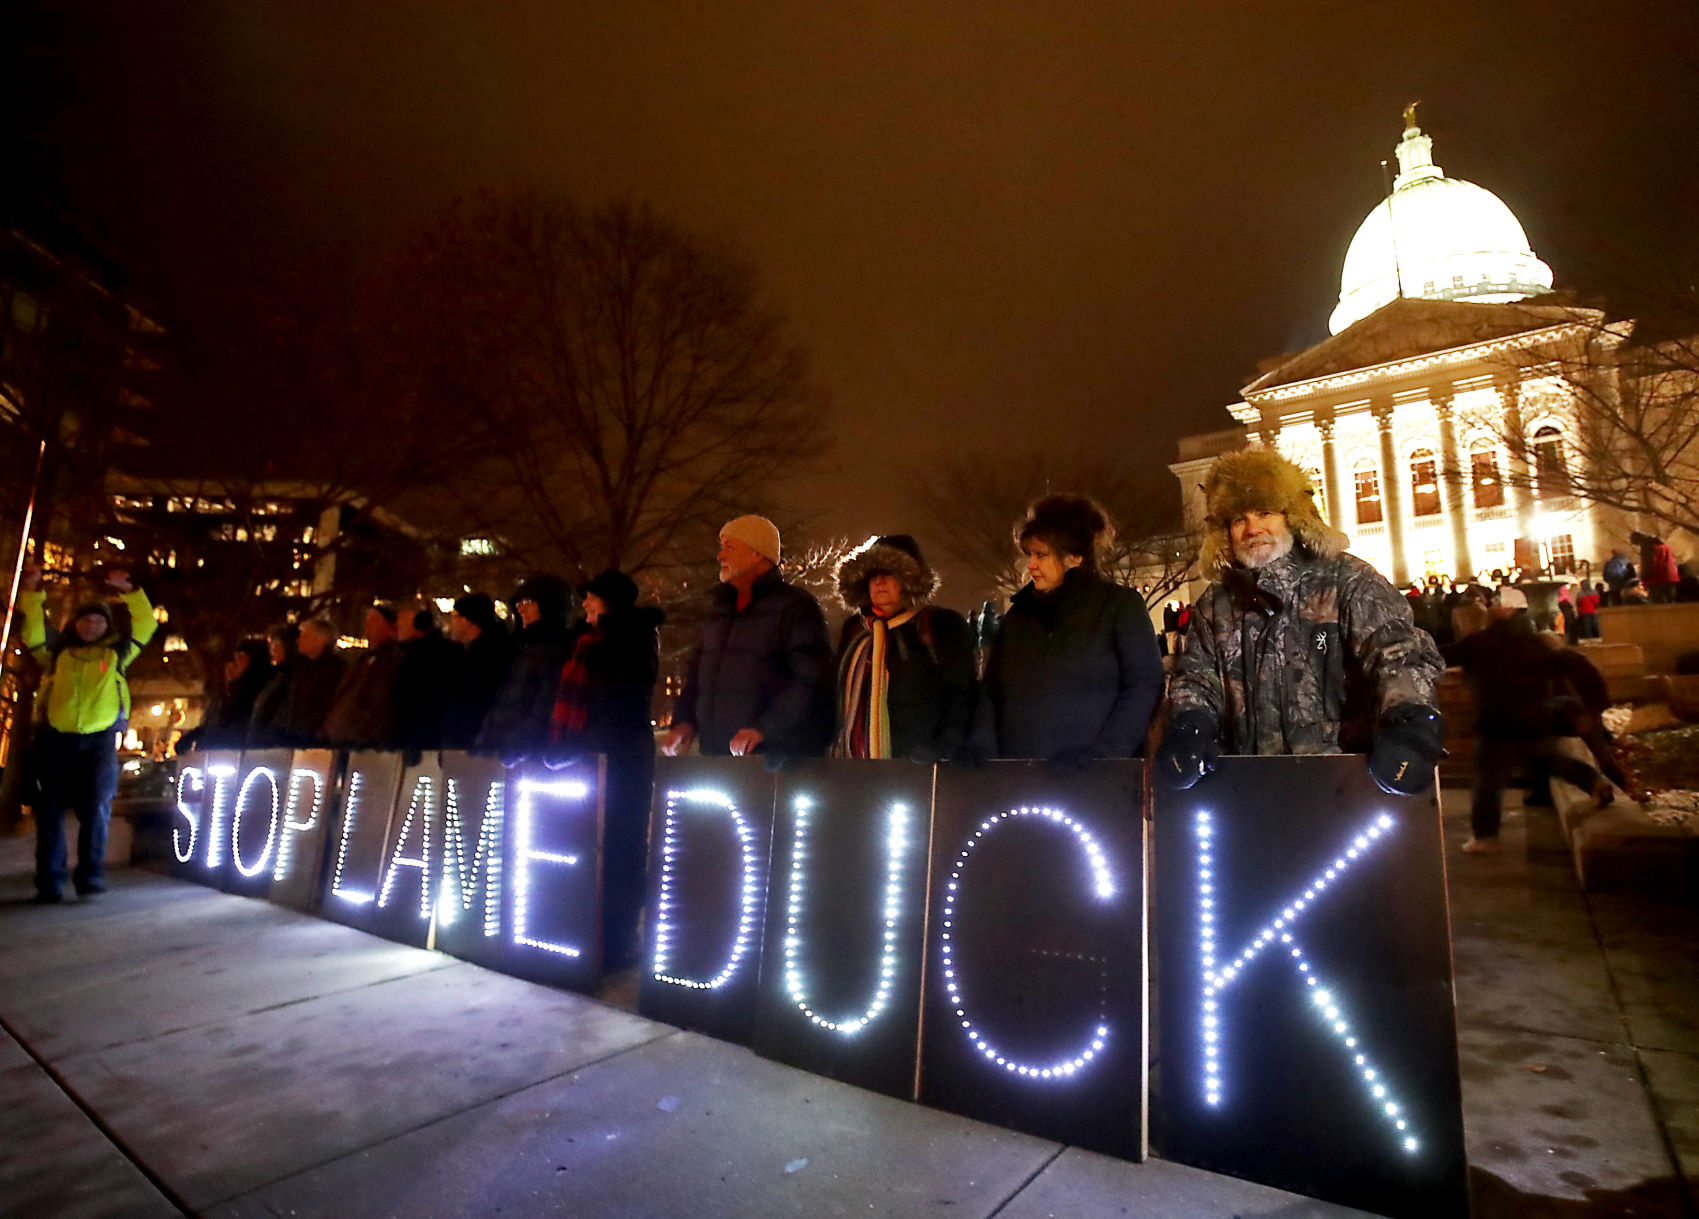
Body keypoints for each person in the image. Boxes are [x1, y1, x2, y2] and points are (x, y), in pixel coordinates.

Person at [1159, 449, 1446, 795]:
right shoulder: (1216, 604)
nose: (1253, 529)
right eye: (1239, 519)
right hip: (1250, 785)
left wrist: (1409, 719)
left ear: (1292, 516)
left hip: (1342, 779)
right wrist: (1192, 723)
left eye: (1265, 512)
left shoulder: (1347, 580)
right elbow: (1196, 678)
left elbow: (1396, 653)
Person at [972, 494, 1163, 769]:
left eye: (1042, 555)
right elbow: (991, 691)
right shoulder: (1018, 617)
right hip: (1021, 774)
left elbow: (1144, 684)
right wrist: (982, 744)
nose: (1031, 565)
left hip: (1093, 775)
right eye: (1030, 555)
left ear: (1074, 557)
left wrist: (1105, 753)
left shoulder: (1118, 606)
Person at [18, 562, 158, 902]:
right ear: (74, 624)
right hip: (56, 742)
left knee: (96, 808)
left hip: (99, 743)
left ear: (106, 625)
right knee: (50, 812)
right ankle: (49, 881)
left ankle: (90, 875)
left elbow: (146, 624)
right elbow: (33, 631)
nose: (91, 625)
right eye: (85, 619)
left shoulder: (117, 654)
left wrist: (129, 591)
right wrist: (34, 592)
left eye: (98, 620)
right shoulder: (55, 654)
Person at [547, 569, 664, 971]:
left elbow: (623, 700)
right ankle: (590, 934)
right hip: (592, 758)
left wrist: (584, 744)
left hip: (622, 759)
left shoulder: (632, 638)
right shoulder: (587, 640)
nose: (584, 605)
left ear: (609, 602)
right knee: (587, 848)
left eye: (591, 598)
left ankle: (618, 942)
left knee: (621, 848)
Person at [662, 514, 833, 763]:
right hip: (716, 756)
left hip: (771, 761)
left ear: (758, 554)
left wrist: (763, 728)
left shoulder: (795, 607)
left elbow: (811, 679)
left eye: (729, 547)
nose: (720, 556)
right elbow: (697, 674)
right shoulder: (719, 609)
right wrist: (684, 721)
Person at [1444, 612, 1617, 853]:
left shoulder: (1478, 643)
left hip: (1496, 721)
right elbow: (1575, 662)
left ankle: (1485, 836)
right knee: (1546, 761)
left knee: (1488, 780)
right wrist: (1594, 706)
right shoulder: (1534, 643)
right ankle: (1593, 781)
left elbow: (1440, 656)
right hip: (1534, 717)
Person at [833, 534, 977, 761]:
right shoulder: (855, 631)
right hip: (855, 764)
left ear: (910, 580)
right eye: (872, 575)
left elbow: (961, 695)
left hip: (920, 764)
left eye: (889, 573)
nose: (879, 581)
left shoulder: (939, 625)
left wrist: (942, 747)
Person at [477, 575, 579, 765]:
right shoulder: (525, 649)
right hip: (508, 754)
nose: (520, 608)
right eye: (520, 602)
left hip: (531, 760)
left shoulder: (557, 650)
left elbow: (545, 705)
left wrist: (515, 747)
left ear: (550, 606)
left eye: (528, 602)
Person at [250, 617, 346, 747]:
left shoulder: (336, 670)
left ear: (321, 640)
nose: (298, 640)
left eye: (305, 636)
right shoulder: (298, 668)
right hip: (286, 739)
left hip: (310, 744)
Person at [320, 605, 404, 748]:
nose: (367, 626)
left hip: (355, 744)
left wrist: (356, 737)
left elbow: (377, 707)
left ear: (391, 627)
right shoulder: (362, 661)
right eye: (366, 621)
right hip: (336, 739)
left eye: (373, 621)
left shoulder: (393, 662)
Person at [442, 593, 515, 750]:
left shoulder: (487, 657)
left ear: (467, 620)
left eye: (454, 616)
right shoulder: (473, 653)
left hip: (476, 743)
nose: (451, 623)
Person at [393, 604, 458, 756]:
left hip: (424, 743)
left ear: (421, 622)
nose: (397, 625)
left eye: (402, 620)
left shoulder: (438, 656)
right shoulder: (409, 655)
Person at [1634, 532, 1679, 604]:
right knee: (1671, 602)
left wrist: (1643, 576)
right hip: (1671, 575)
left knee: (1657, 603)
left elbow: (1647, 563)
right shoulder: (1666, 546)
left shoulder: (1647, 546)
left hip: (1657, 577)